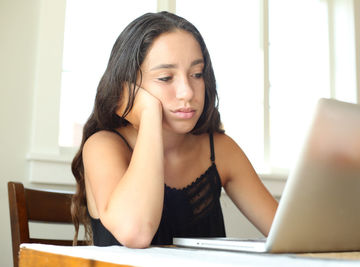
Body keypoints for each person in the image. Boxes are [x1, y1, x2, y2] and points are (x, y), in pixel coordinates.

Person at [71, 11, 278, 248]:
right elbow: (135, 232)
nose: (188, 92)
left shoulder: (219, 150)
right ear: (126, 88)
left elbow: (291, 236)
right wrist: (149, 113)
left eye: (197, 74)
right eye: (166, 77)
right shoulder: (103, 146)